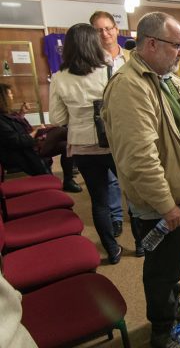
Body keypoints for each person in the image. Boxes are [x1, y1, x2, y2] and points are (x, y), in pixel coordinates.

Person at [102, 12, 180, 348]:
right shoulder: (129, 87)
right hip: (160, 200)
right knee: (161, 269)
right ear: (151, 43)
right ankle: (163, 333)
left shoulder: (162, 76)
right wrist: (166, 205)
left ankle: (173, 306)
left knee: (171, 263)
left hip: (179, 188)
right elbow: (139, 158)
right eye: (177, 45)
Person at [49, 23, 121, 264]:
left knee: (99, 201)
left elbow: (57, 119)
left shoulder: (59, 78)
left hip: (81, 146)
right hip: (111, 143)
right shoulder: (108, 71)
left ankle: (112, 250)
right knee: (130, 193)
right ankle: (142, 245)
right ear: (94, 44)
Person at [90, 11, 141, 254]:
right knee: (108, 181)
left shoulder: (130, 57)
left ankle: (138, 222)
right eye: (99, 30)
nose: (105, 33)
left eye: (108, 28)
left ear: (116, 30)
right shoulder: (88, 60)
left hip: (128, 125)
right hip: (100, 127)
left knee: (130, 177)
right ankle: (115, 217)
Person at [0, 84, 81, 192]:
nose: (12, 96)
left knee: (67, 146)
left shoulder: (7, 114)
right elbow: (16, 141)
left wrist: (22, 113)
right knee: (63, 131)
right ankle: (83, 153)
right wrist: (36, 131)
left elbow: (16, 127)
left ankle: (68, 180)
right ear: (3, 98)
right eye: (9, 94)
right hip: (23, 151)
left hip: (30, 143)